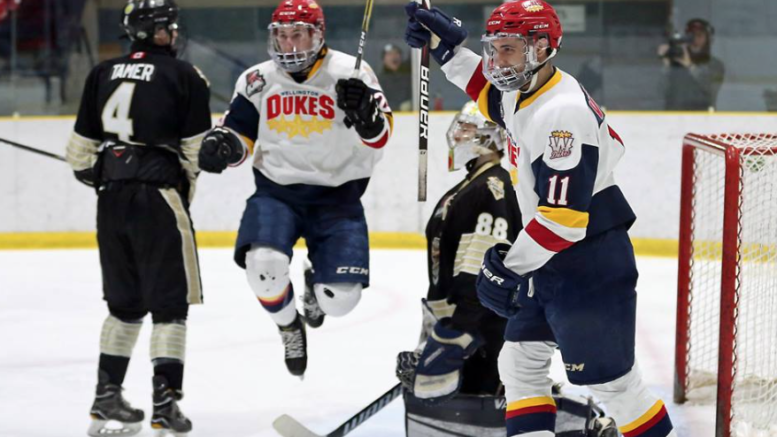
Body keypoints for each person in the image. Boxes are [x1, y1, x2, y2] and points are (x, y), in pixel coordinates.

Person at [404, 1, 677, 436]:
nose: (497, 61)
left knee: (614, 386)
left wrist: (509, 268)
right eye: (494, 48)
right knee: (520, 364)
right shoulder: (528, 87)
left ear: (542, 48)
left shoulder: (561, 115)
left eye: (508, 49)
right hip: (551, 259)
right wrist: (446, 48)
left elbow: (564, 219)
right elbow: (488, 93)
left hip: (588, 262)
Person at [395, 103, 617, 437]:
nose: (458, 135)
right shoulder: (474, 184)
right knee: (472, 405)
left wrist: (458, 333)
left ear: (489, 137)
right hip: (468, 321)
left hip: (481, 327)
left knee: (486, 406)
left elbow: (479, 271)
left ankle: (586, 427)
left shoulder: (490, 188)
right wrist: (435, 332)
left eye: (467, 129)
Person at [197, 0, 392, 378]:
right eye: (282, 36)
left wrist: (367, 116)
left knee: (340, 301)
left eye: (298, 34)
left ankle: (313, 279)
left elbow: (381, 137)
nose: (289, 44)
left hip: (337, 197)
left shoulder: (351, 72)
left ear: (318, 35)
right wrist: (224, 147)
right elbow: (240, 136)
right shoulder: (257, 79)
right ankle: (289, 326)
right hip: (277, 193)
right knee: (263, 265)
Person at [65, 1, 211, 436]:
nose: (174, 33)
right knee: (170, 308)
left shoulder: (101, 72)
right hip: (158, 200)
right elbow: (196, 153)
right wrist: (178, 190)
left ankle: (106, 395)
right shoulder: (185, 75)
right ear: (156, 32)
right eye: (169, 27)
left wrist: (110, 173)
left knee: (124, 307)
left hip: (110, 202)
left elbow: (78, 156)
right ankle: (166, 404)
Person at [658, 18, 725, 110]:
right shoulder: (676, 64)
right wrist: (666, 64)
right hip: (675, 116)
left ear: (709, 40)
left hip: (702, 116)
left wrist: (689, 65)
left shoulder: (716, 65)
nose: (695, 40)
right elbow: (660, 91)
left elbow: (710, 88)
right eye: (691, 36)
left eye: (699, 36)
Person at [378, 43, 412, 111]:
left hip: (410, 115)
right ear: (384, 59)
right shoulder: (378, 80)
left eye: (397, 53)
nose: (394, 56)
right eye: (389, 54)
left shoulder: (410, 77)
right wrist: (399, 107)